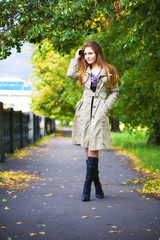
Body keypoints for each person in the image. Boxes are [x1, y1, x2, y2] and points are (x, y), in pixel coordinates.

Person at [67, 41, 119, 201]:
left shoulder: (109, 70)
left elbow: (115, 92)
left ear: (97, 53)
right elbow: (70, 74)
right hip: (84, 110)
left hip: (99, 110)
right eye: (85, 54)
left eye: (90, 53)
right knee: (87, 145)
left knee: (93, 146)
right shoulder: (82, 69)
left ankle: (87, 186)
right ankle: (97, 184)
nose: (88, 56)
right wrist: (76, 58)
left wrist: (105, 107)